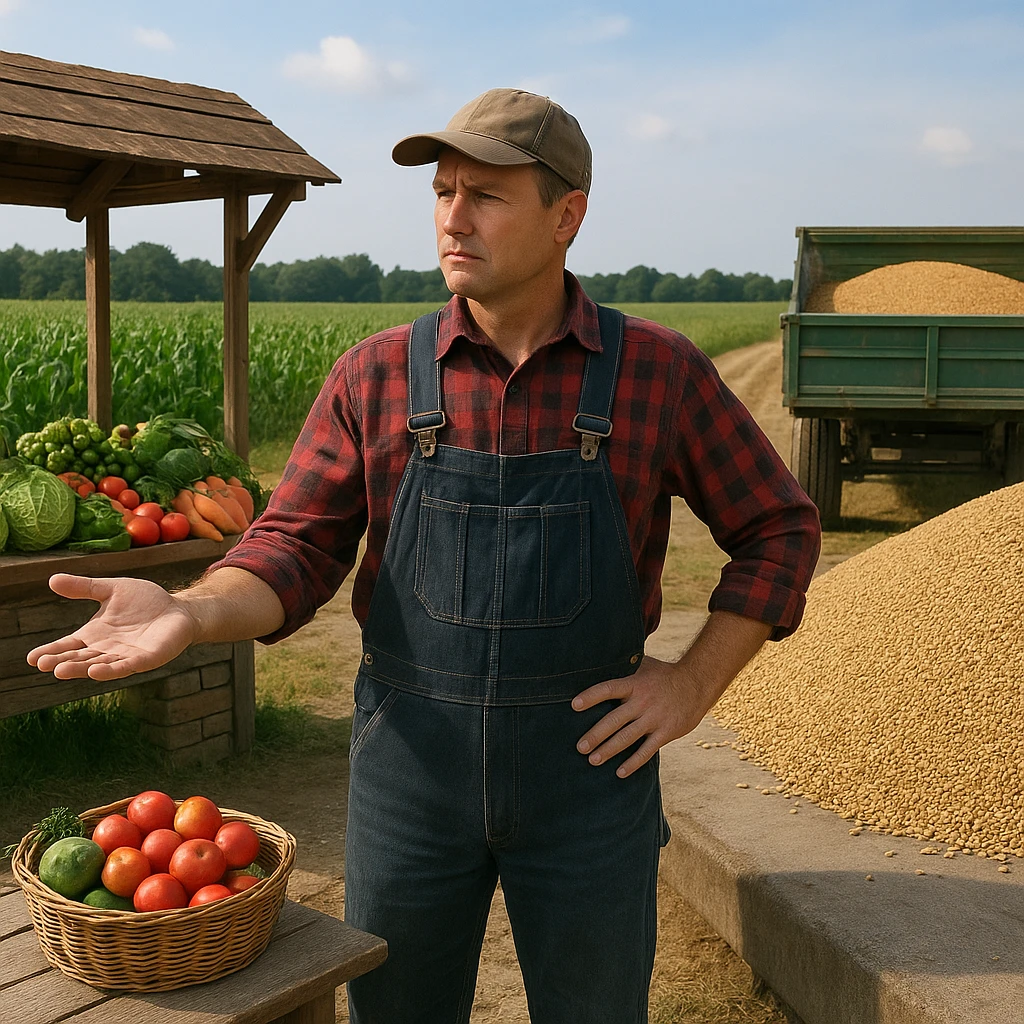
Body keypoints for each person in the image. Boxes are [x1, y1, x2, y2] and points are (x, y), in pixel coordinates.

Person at [28, 88, 821, 1023]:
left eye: (485, 194)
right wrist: (192, 611)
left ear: (567, 215)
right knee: (396, 1009)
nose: (453, 215)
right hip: (410, 765)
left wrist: (688, 687)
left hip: (589, 768)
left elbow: (778, 528)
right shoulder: (375, 375)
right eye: (443, 190)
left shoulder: (656, 371)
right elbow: (292, 546)